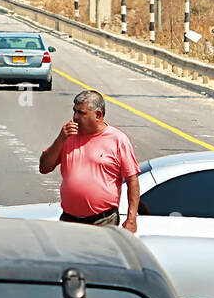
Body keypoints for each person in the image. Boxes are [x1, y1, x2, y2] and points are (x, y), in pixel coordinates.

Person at [39, 89, 140, 232]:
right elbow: (44, 167)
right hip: (69, 220)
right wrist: (60, 140)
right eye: (74, 111)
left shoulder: (118, 140)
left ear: (98, 115)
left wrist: (131, 218)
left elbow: (132, 180)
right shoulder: (68, 136)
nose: (75, 117)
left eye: (81, 113)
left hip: (103, 220)